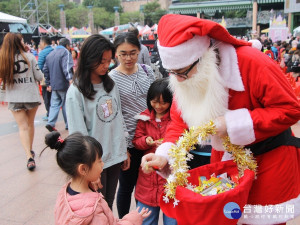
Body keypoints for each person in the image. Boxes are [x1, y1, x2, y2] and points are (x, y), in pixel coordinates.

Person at [141, 14, 300, 225]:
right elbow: (180, 123)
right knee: (224, 218)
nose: (178, 79)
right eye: (172, 73)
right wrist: (165, 155)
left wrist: (234, 124)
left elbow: (290, 108)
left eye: (183, 72)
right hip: (224, 160)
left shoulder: (251, 62)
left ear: (203, 56)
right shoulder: (181, 76)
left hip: (268, 159)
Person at [66, 34, 128, 210]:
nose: (106, 66)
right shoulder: (76, 92)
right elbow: (79, 135)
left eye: (108, 61)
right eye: (101, 61)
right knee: (95, 207)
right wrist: (90, 167)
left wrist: (123, 151)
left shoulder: (111, 84)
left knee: (108, 204)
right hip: (94, 162)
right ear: (88, 59)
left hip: (114, 156)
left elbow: (118, 119)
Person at [43, 131, 151, 224]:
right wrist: (134, 219)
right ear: (83, 169)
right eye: (99, 161)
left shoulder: (64, 193)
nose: (103, 164)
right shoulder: (94, 210)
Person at [109, 32, 155, 218]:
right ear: (116, 54)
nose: (128, 58)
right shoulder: (111, 78)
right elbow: (114, 113)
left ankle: (141, 219)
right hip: (129, 141)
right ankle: (124, 221)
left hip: (150, 138)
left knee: (145, 186)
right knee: (126, 186)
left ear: (139, 51)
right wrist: (122, 147)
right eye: (123, 53)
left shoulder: (146, 70)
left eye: (133, 52)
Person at [132, 78, 176, 225]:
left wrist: (168, 145)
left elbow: (183, 140)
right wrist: (146, 141)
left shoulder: (176, 119)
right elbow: (137, 141)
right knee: (146, 220)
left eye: (163, 102)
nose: (158, 106)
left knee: (173, 220)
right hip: (148, 178)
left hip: (170, 177)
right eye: (154, 101)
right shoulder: (144, 118)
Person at [0, 33, 44, 170]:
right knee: (30, 124)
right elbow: (39, 76)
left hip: (14, 97)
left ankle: (28, 156)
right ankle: (29, 150)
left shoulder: (3, 59)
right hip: (30, 95)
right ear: (20, 42)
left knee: (22, 127)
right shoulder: (29, 57)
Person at [43, 38, 73, 132]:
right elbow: (67, 67)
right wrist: (70, 79)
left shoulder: (50, 54)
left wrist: (48, 83)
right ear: (67, 45)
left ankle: (50, 122)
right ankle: (68, 124)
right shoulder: (65, 53)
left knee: (54, 104)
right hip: (63, 83)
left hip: (54, 84)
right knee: (65, 104)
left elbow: (45, 69)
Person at [38, 35, 53, 121]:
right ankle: (52, 113)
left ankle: (49, 114)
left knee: (46, 97)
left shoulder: (43, 53)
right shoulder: (53, 50)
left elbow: (39, 67)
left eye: (40, 42)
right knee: (52, 97)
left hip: (45, 79)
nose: (40, 44)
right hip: (54, 78)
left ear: (43, 42)